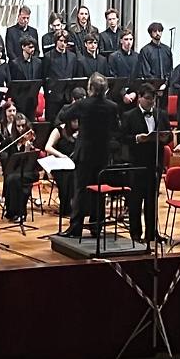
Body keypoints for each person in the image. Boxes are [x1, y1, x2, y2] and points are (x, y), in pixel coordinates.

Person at [57, 73, 121, 239]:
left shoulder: (82, 104)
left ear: (91, 88)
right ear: (105, 89)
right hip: (102, 154)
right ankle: (96, 225)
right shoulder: (112, 106)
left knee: (80, 191)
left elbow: (63, 116)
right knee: (99, 190)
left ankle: (76, 227)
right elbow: (115, 128)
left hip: (84, 153)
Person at [121, 83, 172, 244]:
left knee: (152, 201)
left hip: (154, 163)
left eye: (153, 99)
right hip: (137, 164)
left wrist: (165, 138)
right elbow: (122, 138)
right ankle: (135, 234)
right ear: (140, 98)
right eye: (148, 99)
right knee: (135, 201)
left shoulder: (161, 114)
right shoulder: (129, 115)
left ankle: (152, 233)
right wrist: (137, 138)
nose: (151, 103)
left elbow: (169, 135)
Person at [0, 112, 38, 222]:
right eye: (18, 126)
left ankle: (19, 212)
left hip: (30, 171)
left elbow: (33, 160)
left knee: (14, 179)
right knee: (11, 179)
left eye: (23, 126)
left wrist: (27, 150)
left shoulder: (31, 138)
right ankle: (13, 211)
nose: (21, 129)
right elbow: (0, 148)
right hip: (15, 171)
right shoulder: (11, 140)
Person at [44, 115, 79, 216]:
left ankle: (77, 206)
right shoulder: (59, 130)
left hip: (74, 163)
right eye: (74, 121)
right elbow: (48, 147)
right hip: (60, 163)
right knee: (66, 178)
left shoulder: (81, 131)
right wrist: (61, 155)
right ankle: (66, 207)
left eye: (78, 122)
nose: (76, 124)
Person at [44, 31, 77, 123]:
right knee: (52, 122)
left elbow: (73, 74)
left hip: (67, 95)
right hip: (53, 96)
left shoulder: (72, 57)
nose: (63, 44)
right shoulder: (48, 56)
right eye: (61, 41)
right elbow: (44, 76)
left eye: (65, 41)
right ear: (56, 41)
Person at [9, 37, 45, 117]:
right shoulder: (15, 63)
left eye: (33, 47)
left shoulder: (38, 62)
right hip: (19, 101)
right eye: (30, 47)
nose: (32, 49)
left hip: (32, 100)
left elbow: (39, 80)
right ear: (23, 47)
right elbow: (13, 83)